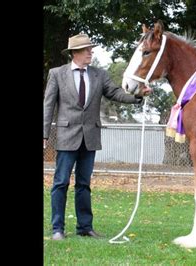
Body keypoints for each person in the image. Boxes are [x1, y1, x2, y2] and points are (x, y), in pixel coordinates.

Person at [43, 33, 151, 240]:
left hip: (90, 137)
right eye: (86, 50)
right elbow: (48, 106)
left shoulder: (99, 75)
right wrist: (44, 133)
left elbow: (116, 93)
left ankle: (85, 227)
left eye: (91, 49)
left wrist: (137, 97)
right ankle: (58, 229)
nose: (90, 52)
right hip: (67, 137)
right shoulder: (57, 74)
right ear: (75, 53)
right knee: (60, 183)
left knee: (84, 184)